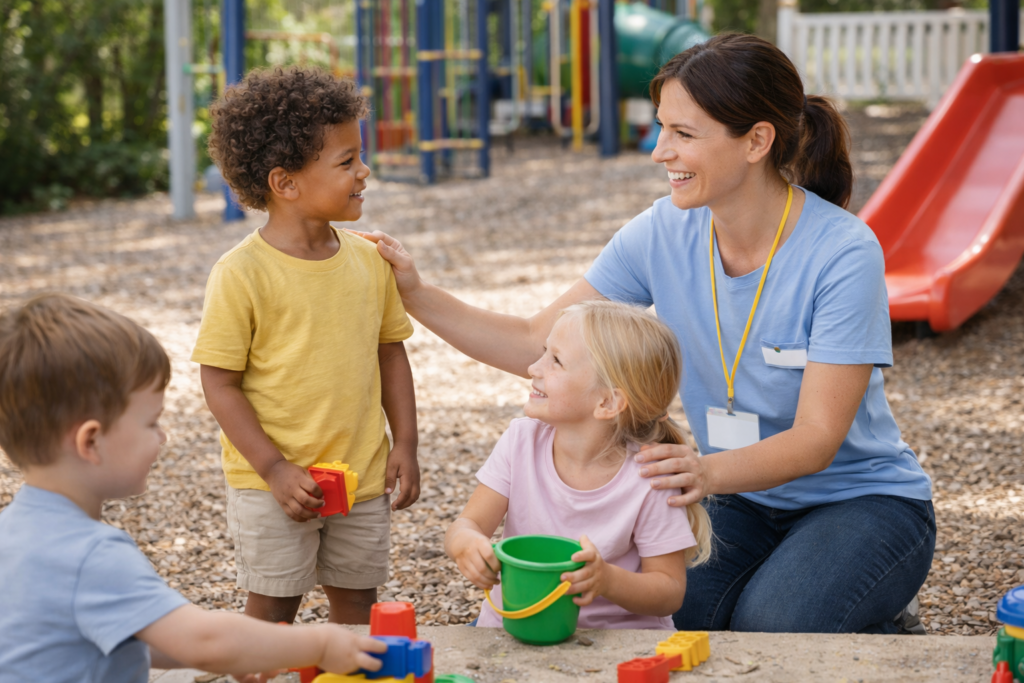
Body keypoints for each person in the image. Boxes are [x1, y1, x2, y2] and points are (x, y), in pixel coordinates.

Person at [354, 33, 935, 634]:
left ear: (757, 141)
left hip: (858, 500)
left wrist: (705, 473)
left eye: (684, 134)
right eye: (662, 128)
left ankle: (882, 612)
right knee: (664, 616)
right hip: (737, 496)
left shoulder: (843, 251)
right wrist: (415, 293)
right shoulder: (662, 231)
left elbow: (817, 438)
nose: (661, 152)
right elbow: (537, 339)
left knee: (772, 627)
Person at [0, 294, 387, 683]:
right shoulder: (90, 554)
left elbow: (127, 634)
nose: (164, 438)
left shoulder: (15, 533)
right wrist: (317, 646)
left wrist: (246, 652)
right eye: (152, 423)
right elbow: (202, 640)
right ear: (91, 442)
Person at [193, 66, 419, 626]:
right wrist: (272, 468)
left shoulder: (370, 260)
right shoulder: (240, 274)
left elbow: (391, 353)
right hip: (273, 483)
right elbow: (217, 382)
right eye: (346, 162)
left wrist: (406, 444)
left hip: (361, 474)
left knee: (358, 608)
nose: (364, 171)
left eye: (359, 157)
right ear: (285, 183)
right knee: (271, 613)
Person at [446, 301, 711, 629]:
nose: (533, 368)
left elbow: (669, 592)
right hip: (516, 627)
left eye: (555, 360)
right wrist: (466, 545)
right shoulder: (521, 441)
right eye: (544, 352)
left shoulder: (650, 474)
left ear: (607, 402)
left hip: (616, 646)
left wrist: (607, 580)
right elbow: (467, 524)